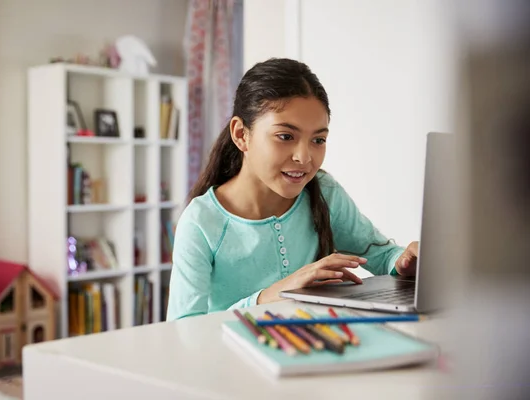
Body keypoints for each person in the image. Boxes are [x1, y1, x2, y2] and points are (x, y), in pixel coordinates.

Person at [166, 58, 419, 321]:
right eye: (286, 136)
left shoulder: (324, 193)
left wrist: (402, 260)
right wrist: (270, 296)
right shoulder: (201, 222)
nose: (304, 157)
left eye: (318, 140)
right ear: (241, 134)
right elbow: (183, 330)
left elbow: (380, 254)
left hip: (313, 351)